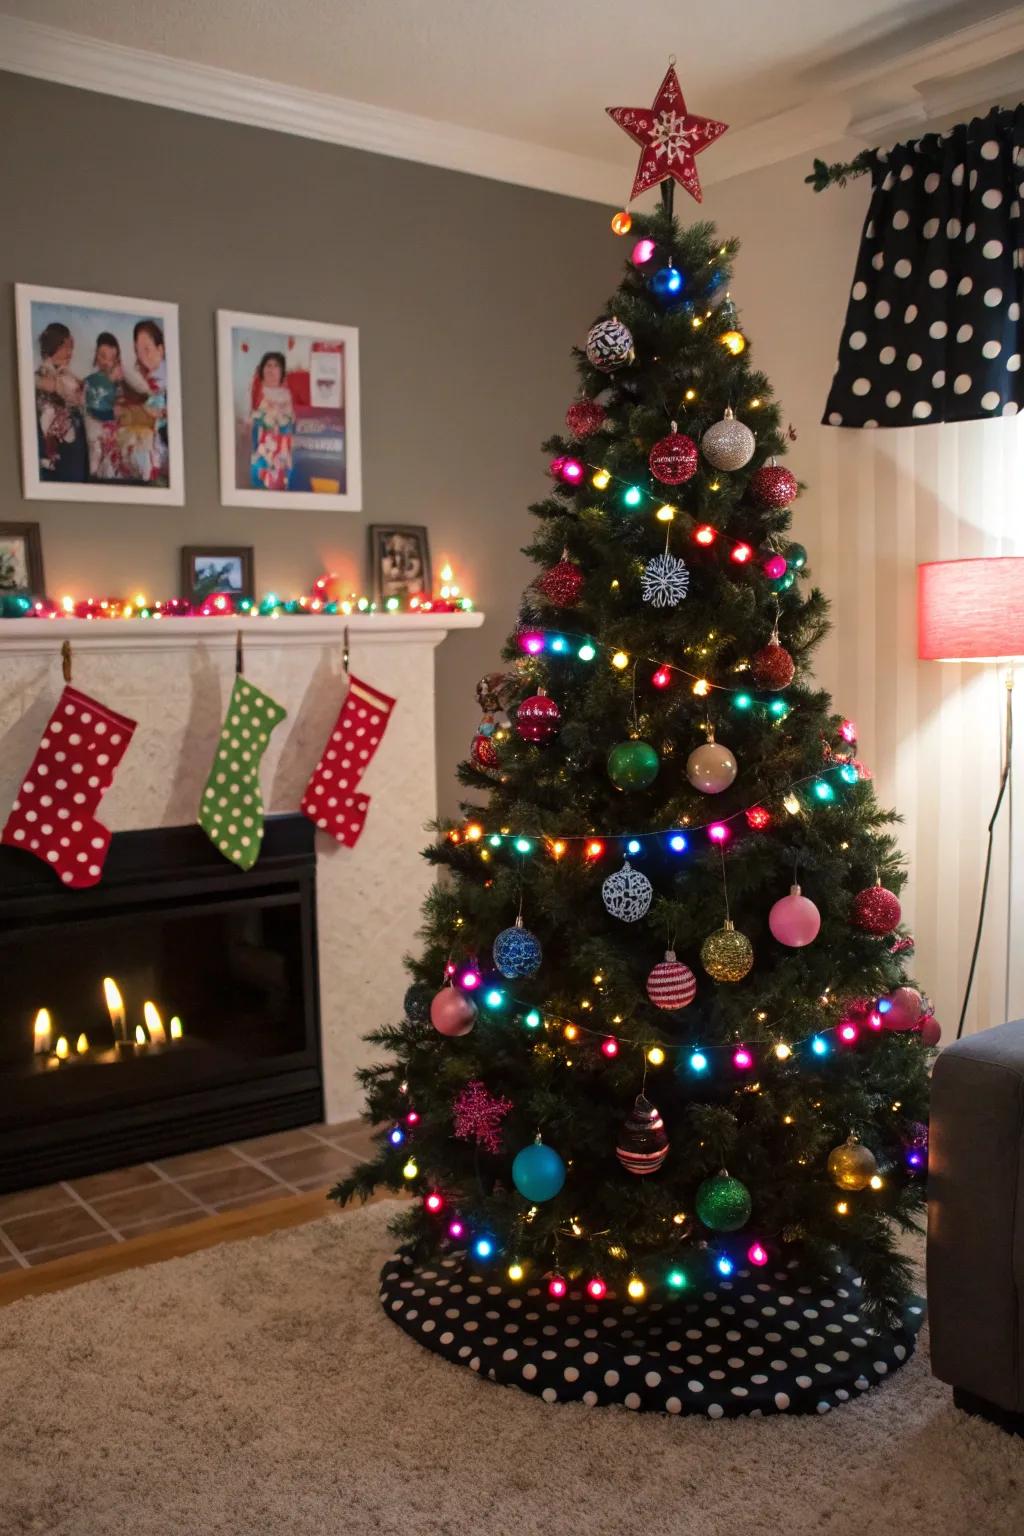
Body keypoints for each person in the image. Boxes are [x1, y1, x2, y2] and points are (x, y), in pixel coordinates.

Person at [34, 321, 86, 481]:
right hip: (52, 443)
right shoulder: (40, 375)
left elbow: (80, 400)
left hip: (74, 444)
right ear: (53, 345)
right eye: (66, 347)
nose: (70, 352)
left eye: (71, 348)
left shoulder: (70, 376)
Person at [249, 350, 295, 491]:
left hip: (282, 443)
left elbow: (289, 418)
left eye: (276, 365)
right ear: (262, 370)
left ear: (281, 372)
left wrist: (280, 417)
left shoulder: (287, 394)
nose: (271, 369)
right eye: (268, 365)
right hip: (263, 441)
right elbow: (253, 415)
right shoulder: (258, 391)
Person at [82, 331, 124, 480]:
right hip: (95, 438)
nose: (106, 362)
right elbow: (93, 410)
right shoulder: (90, 381)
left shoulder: (118, 385)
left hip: (113, 440)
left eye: (112, 358)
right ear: (96, 355)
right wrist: (112, 414)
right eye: (102, 356)